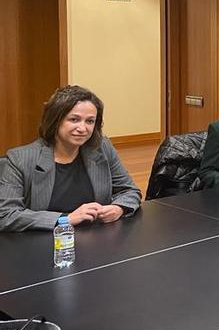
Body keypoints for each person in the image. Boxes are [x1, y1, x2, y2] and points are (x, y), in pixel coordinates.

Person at [0, 86, 141, 232]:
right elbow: (6, 215)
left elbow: (130, 191)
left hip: (96, 241)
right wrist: (66, 219)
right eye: (74, 119)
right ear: (55, 121)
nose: (83, 128)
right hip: (44, 242)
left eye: (90, 121)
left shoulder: (101, 148)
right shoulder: (20, 159)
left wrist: (119, 208)